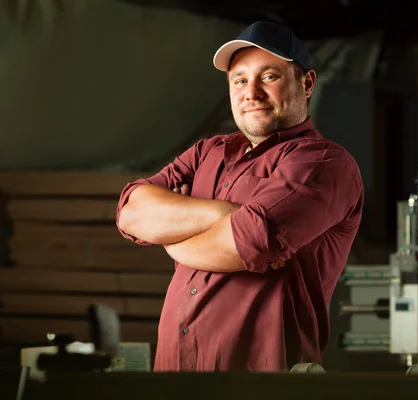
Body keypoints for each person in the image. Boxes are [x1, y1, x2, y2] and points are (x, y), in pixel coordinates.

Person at [116, 21, 364, 372]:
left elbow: (249, 241)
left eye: (270, 77)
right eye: (240, 80)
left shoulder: (323, 162)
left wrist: (172, 241)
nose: (252, 93)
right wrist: (227, 215)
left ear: (307, 84)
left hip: (257, 379)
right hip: (172, 373)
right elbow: (131, 213)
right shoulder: (208, 152)